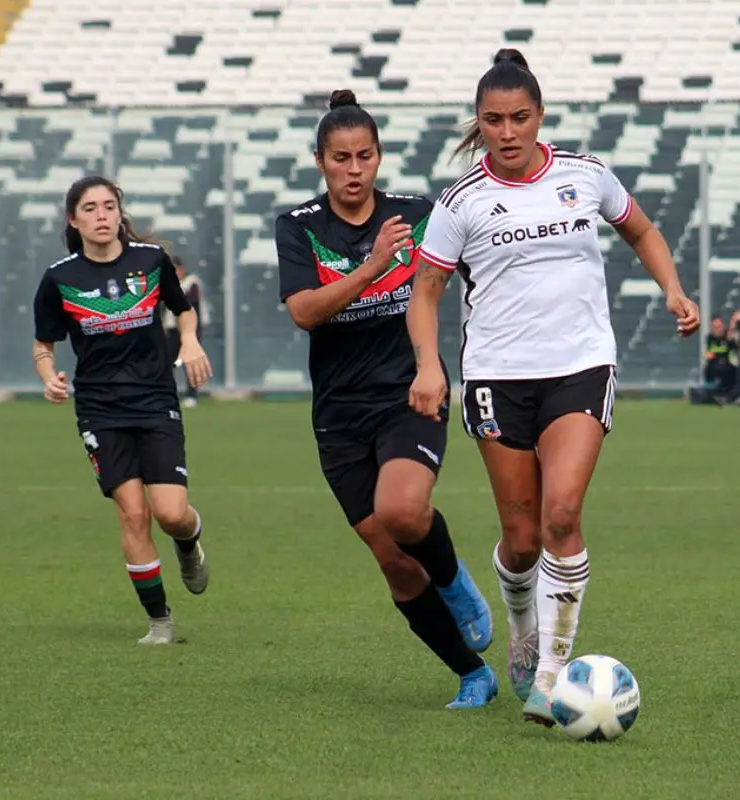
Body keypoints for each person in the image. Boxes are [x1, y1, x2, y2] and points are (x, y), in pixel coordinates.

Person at [405, 48, 700, 725]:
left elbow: (640, 228)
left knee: (561, 514)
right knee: (522, 539)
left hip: (579, 366)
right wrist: (429, 365)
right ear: (478, 125)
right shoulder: (461, 202)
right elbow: (426, 293)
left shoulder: (585, 175)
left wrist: (675, 290)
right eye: (493, 121)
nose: (508, 132)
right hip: (496, 377)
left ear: (540, 116)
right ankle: (521, 620)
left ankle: (550, 678)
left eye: (520, 118)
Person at [275, 89, 497, 709]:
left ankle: (454, 580)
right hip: (339, 416)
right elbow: (304, 313)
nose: (353, 169)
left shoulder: (419, 214)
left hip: (410, 393)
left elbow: (465, 273)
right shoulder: (297, 229)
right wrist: (371, 267)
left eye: (364, 156)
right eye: (340, 158)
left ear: (379, 157)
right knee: (393, 559)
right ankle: (471, 673)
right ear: (319, 160)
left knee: (402, 513)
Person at [32, 175, 214, 645]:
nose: (101, 216)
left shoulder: (151, 262)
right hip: (99, 408)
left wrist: (189, 341)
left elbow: (184, 309)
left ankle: (189, 541)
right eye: (89, 208)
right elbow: (43, 344)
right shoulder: (59, 278)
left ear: (120, 213)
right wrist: (48, 376)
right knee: (133, 514)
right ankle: (160, 622)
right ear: (73, 219)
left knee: (170, 514)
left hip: (154, 401)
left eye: (109, 206)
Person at [162, 255, 207, 407]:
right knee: (168, 362)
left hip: (190, 330)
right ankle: (165, 395)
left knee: (191, 363)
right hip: (172, 331)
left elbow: (192, 308)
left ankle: (192, 395)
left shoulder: (191, 283)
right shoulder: (165, 282)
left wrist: (192, 332)